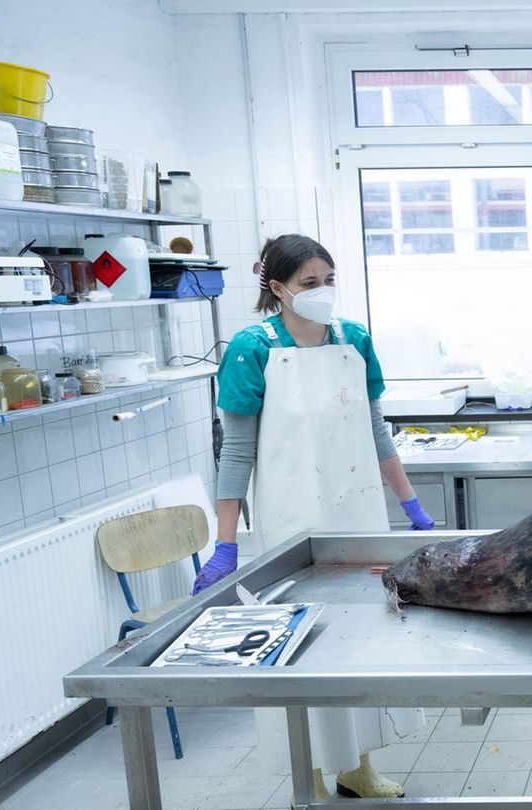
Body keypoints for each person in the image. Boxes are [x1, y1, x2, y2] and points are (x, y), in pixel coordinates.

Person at [193, 234, 429, 800]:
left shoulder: (355, 341)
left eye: (328, 280)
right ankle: (315, 773)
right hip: (291, 521)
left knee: (365, 641)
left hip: (358, 514)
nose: (323, 292)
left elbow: (376, 431)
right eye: (308, 283)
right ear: (277, 289)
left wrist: (411, 507)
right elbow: (238, 453)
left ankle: (357, 767)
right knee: (304, 647)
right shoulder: (252, 348)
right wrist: (225, 544)